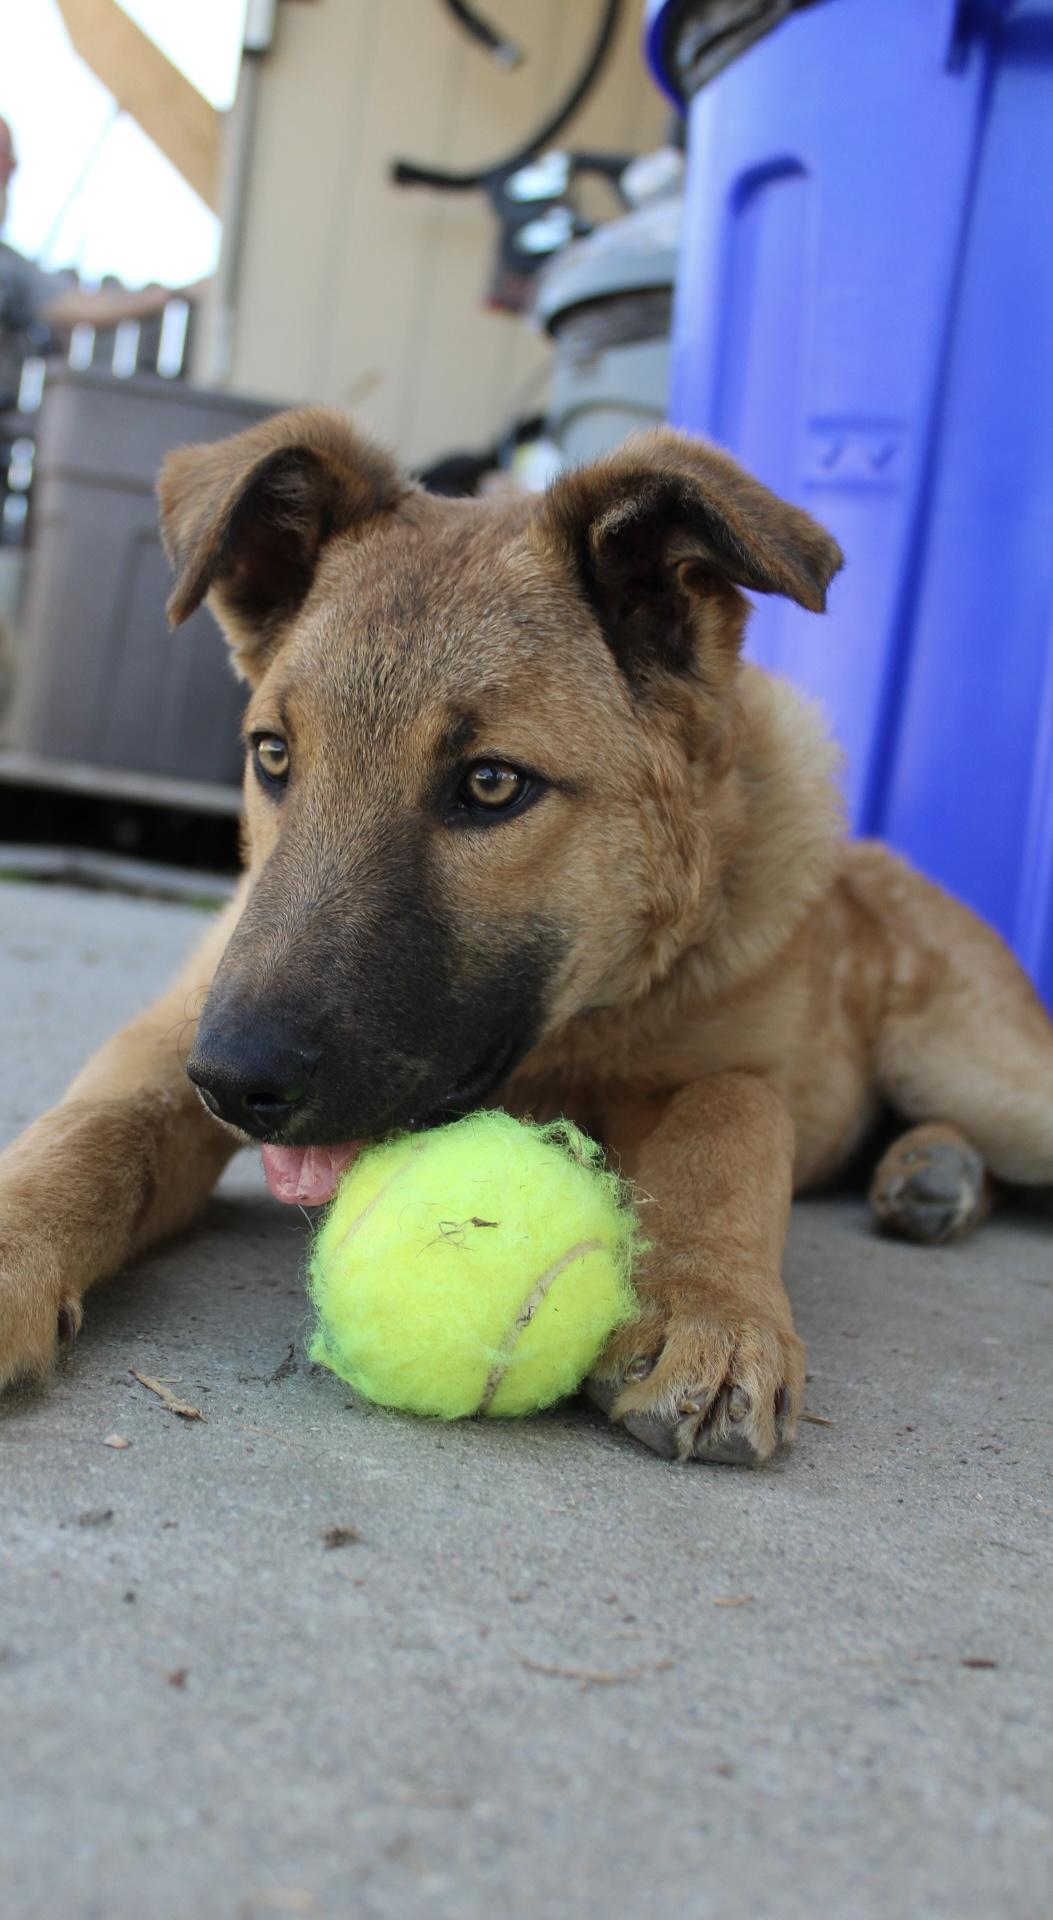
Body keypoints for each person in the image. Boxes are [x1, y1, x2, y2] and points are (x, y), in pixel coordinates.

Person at [0, 116, 192, 404]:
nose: (12, 171)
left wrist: (166, 295)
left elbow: (83, 306)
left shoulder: (11, 268)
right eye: (4, 157)